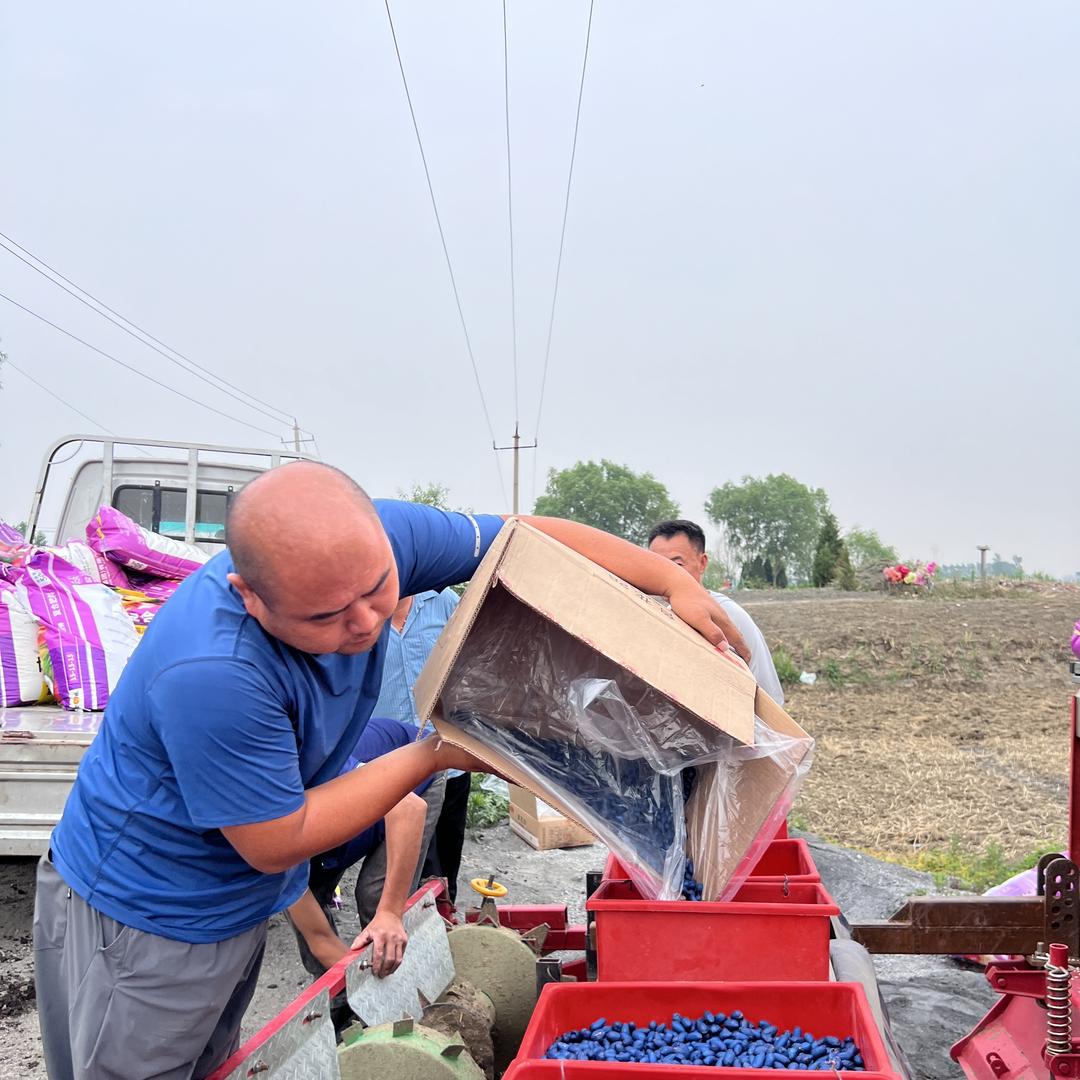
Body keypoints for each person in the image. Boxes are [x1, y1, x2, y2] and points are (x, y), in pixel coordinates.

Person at [35, 461, 749, 1080]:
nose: (367, 623)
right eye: (327, 617)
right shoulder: (214, 672)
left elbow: (520, 538)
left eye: (378, 589)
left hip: (234, 900)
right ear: (253, 599)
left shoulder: (373, 541)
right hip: (146, 912)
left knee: (208, 1059)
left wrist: (665, 580)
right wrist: (437, 752)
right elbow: (278, 837)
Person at [286, 715, 445, 980]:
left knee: (376, 897)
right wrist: (360, 982)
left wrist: (391, 913)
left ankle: (404, 977)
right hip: (333, 823)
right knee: (309, 900)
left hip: (414, 783)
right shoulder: (268, 853)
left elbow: (408, 808)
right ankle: (336, 998)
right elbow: (318, 939)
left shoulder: (319, 773)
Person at [370, 588, 472, 905]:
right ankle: (401, 928)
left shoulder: (443, 603)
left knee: (444, 859)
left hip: (448, 757)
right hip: (389, 767)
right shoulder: (358, 614)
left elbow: (471, 660)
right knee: (397, 870)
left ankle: (444, 917)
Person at [647, 518, 783, 703]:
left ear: (702, 563)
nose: (667, 574)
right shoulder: (660, 615)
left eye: (677, 565)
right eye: (657, 565)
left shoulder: (728, 615)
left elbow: (768, 693)